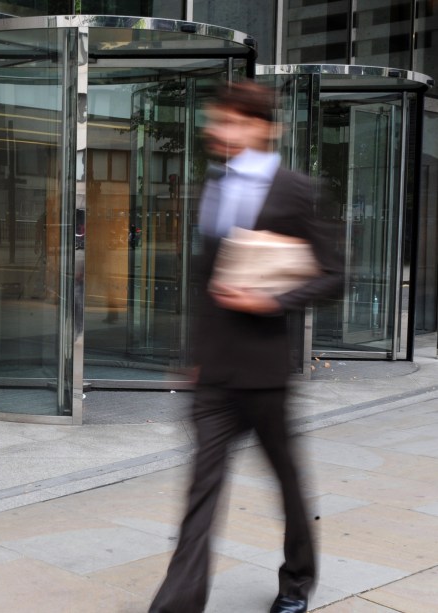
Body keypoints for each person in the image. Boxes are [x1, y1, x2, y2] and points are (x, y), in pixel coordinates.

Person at [148, 81, 343, 613]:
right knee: (201, 492)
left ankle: (297, 582)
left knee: (287, 483)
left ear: (265, 128)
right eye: (218, 120)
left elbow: (333, 274)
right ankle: (177, 605)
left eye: (234, 121)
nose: (220, 131)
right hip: (214, 373)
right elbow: (205, 283)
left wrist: (271, 301)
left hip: (264, 373)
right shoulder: (212, 185)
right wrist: (195, 357)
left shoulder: (297, 189)